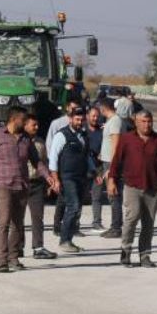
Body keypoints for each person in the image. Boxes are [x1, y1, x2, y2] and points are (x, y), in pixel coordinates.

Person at [0, 106, 56, 273]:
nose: (25, 123)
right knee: (4, 223)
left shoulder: (26, 139)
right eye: (23, 120)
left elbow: (36, 161)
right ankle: (2, 261)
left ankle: (13, 257)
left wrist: (48, 176)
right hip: (3, 185)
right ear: (13, 119)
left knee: (18, 224)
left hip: (22, 186)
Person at [108, 110, 157, 268]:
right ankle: (126, 250)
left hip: (152, 187)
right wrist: (111, 180)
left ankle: (145, 255)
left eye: (149, 121)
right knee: (131, 218)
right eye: (143, 121)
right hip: (132, 186)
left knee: (148, 223)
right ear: (136, 122)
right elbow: (116, 161)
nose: (146, 124)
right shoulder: (127, 139)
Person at [48, 105, 90, 253]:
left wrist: (94, 172)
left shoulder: (83, 135)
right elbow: (53, 158)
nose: (80, 122)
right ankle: (64, 240)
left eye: (82, 120)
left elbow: (87, 156)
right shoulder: (62, 135)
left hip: (81, 177)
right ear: (70, 119)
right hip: (67, 177)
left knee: (77, 209)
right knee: (73, 206)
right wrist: (55, 179)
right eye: (77, 119)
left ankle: (69, 240)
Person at [46, 100, 82, 236]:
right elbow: (51, 146)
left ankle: (73, 227)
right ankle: (59, 228)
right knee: (67, 201)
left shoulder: (80, 130)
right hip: (62, 170)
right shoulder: (57, 125)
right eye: (73, 109)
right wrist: (53, 170)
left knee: (69, 200)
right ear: (68, 109)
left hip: (76, 172)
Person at [23, 115, 57, 259]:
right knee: (17, 218)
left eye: (37, 125)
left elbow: (44, 162)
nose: (36, 127)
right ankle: (17, 247)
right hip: (21, 183)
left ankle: (38, 247)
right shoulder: (18, 142)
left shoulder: (40, 143)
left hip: (37, 183)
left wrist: (48, 182)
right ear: (25, 126)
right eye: (33, 125)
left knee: (38, 218)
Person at [98, 97, 131, 239]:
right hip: (107, 162)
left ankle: (116, 228)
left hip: (112, 163)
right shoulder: (112, 121)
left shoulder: (116, 121)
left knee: (114, 195)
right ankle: (115, 226)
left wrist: (111, 167)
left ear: (103, 108)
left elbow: (116, 146)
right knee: (113, 196)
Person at [85, 106, 105, 232]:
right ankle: (74, 224)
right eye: (93, 116)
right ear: (87, 116)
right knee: (78, 196)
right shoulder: (82, 131)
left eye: (97, 116)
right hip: (83, 167)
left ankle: (97, 222)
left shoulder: (102, 131)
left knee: (97, 197)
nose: (95, 118)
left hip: (98, 168)